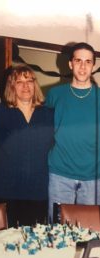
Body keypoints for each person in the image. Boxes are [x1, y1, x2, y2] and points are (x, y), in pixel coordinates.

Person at [0, 65, 54, 227]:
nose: (25, 86)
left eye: (29, 81)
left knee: (34, 242)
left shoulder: (48, 113)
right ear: (12, 86)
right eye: (19, 82)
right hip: (6, 190)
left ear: (35, 84)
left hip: (38, 190)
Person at [45, 42, 100, 222]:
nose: (83, 66)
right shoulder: (55, 94)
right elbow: (43, 132)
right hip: (60, 174)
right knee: (57, 228)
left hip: (94, 176)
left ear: (94, 65)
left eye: (88, 61)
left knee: (89, 230)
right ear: (70, 64)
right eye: (78, 61)